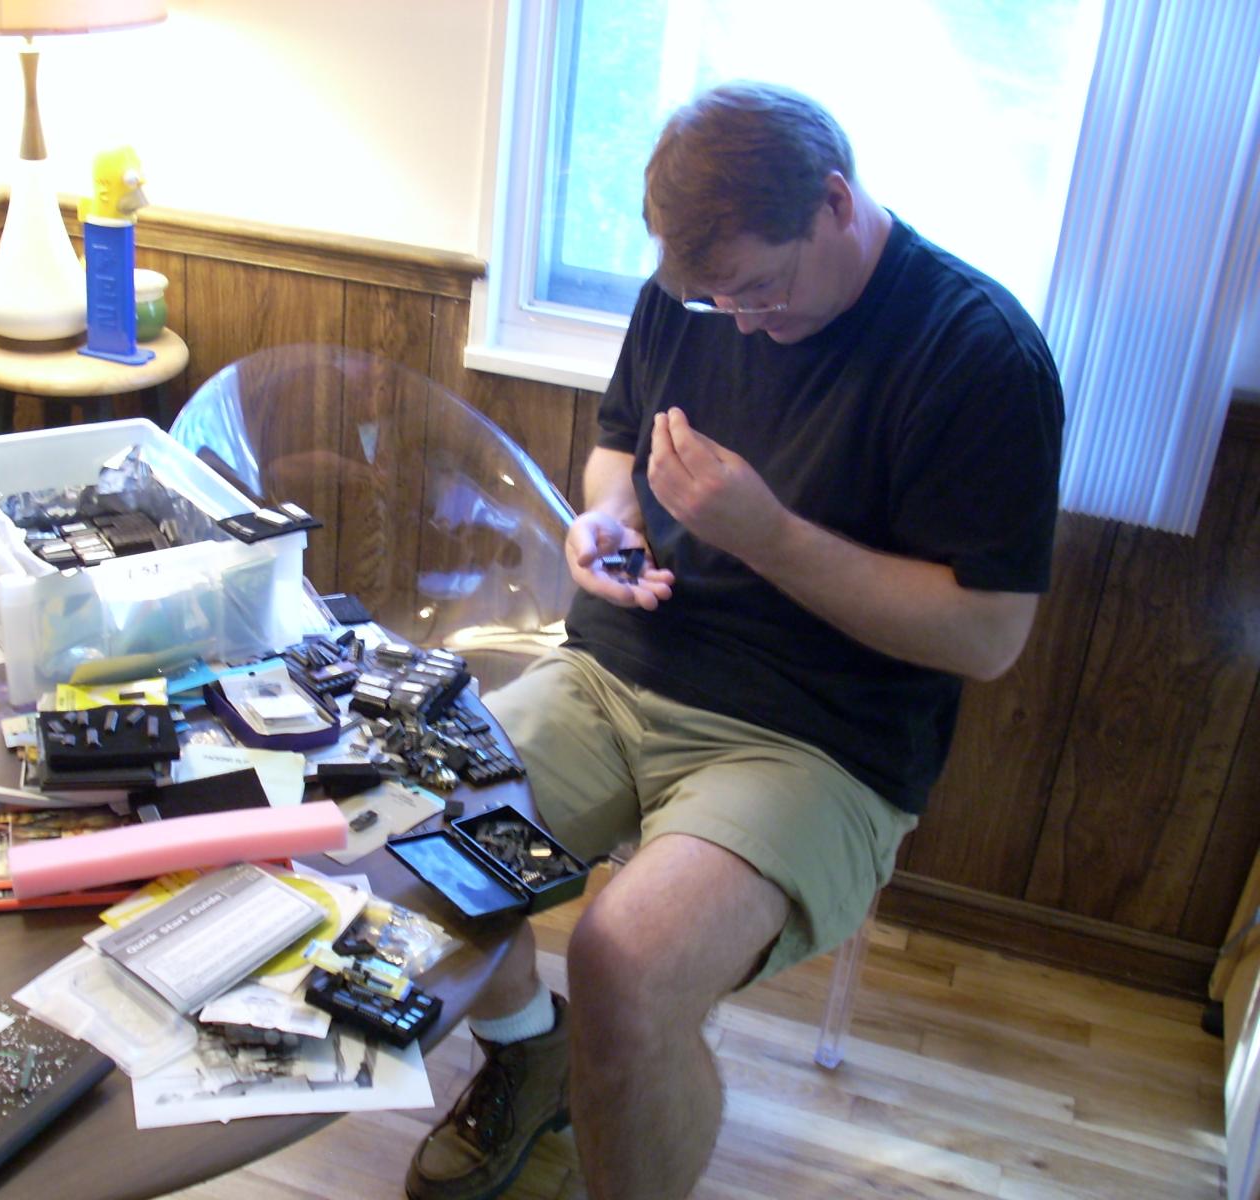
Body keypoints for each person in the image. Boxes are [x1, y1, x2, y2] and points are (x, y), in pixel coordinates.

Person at [404, 82, 1063, 1200]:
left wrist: (770, 537)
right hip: (613, 673)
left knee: (625, 967)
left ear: (837, 202)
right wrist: (605, 520)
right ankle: (527, 1054)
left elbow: (990, 636)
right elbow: (619, 450)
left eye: (762, 289)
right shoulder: (696, 296)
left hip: (815, 741)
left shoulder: (978, 353)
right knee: (418, 844)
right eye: (716, 301)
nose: (743, 322)